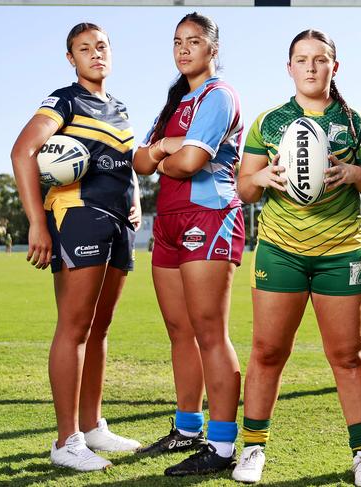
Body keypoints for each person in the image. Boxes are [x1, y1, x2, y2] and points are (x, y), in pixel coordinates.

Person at [232, 29, 361, 487]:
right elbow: (243, 188)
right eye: (301, 59)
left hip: (340, 251)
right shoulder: (269, 121)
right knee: (267, 351)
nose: (310, 67)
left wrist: (356, 171)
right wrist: (260, 175)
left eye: (319, 60)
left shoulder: (356, 123)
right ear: (289, 68)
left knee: (348, 355)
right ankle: (254, 448)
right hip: (280, 250)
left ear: (333, 67)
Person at [11, 22, 142, 472]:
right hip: (77, 217)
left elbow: (125, 161)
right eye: (84, 49)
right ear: (71, 58)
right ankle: (66, 441)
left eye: (102, 46)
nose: (95, 54)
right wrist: (36, 224)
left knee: (100, 328)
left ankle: (92, 427)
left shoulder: (120, 107)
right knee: (75, 327)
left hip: (119, 223)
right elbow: (23, 151)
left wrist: (137, 199)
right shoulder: (64, 100)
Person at [132, 12, 244, 476]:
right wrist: (163, 147)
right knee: (179, 329)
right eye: (178, 41)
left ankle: (221, 446)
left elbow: (189, 162)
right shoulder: (174, 102)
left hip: (209, 217)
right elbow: (141, 160)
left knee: (209, 331)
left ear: (212, 50)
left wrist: (166, 152)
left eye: (194, 42)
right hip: (169, 222)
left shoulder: (219, 97)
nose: (183, 49)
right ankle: (187, 426)